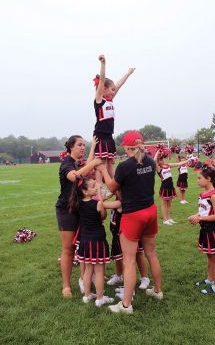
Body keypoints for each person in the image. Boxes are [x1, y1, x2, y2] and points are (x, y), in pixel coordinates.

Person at [97, 131, 162, 314]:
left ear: (126, 147)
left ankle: (126, 305)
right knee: (151, 254)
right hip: (150, 211)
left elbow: (111, 187)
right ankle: (157, 290)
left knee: (129, 261)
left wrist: (102, 170)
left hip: (133, 215)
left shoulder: (125, 166)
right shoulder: (151, 160)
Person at [55, 135, 101, 298]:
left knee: (84, 245)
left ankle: (86, 277)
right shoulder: (66, 164)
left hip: (81, 210)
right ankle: (66, 286)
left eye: (84, 145)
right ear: (71, 147)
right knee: (69, 248)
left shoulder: (78, 162)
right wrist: (94, 163)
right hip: (66, 210)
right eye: (80, 145)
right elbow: (75, 177)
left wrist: (94, 149)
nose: (83, 147)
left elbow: (86, 165)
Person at [68, 176, 114, 307]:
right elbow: (103, 216)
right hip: (97, 241)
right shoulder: (97, 203)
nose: (97, 187)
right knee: (99, 271)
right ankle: (100, 298)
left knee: (88, 270)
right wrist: (100, 194)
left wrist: (98, 193)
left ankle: (87, 295)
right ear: (85, 191)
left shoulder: (77, 203)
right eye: (93, 186)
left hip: (84, 241)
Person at [93, 55, 135, 181]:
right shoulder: (99, 100)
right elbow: (101, 81)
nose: (113, 91)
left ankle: (115, 184)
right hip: (100, 135)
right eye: (111, 89)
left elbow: (119, 84)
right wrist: (103, 64)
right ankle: (99, 187)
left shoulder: (110, 100)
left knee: (111, 163)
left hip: (109, 136)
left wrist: (128, 73)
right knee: (101, 163)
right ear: (103, 89)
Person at [188, 166, 215, 294]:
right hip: (205, 229)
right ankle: (210, 279)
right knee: (210, 256)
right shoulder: (203, 194)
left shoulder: (214, 195)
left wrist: (200, 218)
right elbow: (203, 211)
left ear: (209, 179)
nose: (197, 181)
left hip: (213, 230)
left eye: (199, 178)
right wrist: (196, 216)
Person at [107, 193, 150, 291]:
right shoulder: (118, 198)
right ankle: (119, 275)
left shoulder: (124, 201)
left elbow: (104, 204)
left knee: (137, 254)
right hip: (116, 231)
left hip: (128, 231)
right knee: (118, 255)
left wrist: (100, 197)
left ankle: (144, 277)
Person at [154, 150, 189, 225]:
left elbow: (178, 163)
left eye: (162, 159)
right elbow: (154, 160)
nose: (162, 160)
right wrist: (158, 151)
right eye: (160, 160)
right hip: (164, 187)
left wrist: (188, 160)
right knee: (164, 204)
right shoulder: (158, 168)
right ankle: (165, 220)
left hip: (170, 186)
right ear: (158, 162)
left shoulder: (168, 165)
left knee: (169, 204)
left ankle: (169, 218)